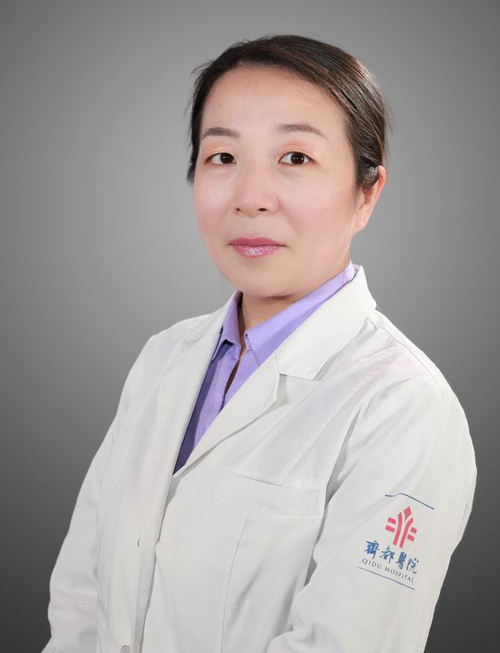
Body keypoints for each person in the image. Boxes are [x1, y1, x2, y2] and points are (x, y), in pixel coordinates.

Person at [42, 34, 477, 653]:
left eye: (295, 157)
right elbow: (81, 600)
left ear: (367, 193)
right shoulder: (163, 359)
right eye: (223, 156)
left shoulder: (403, 406)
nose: (250, 198)